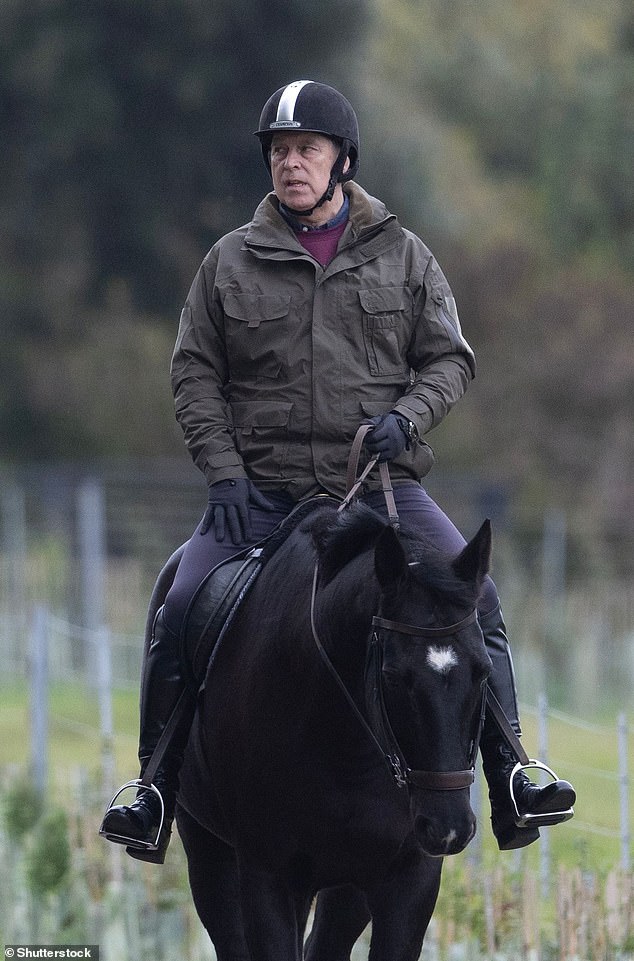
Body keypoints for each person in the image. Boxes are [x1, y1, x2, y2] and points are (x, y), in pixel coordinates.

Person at [101, 80, 575, 863]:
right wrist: (222, 474)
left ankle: (513, 772)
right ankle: (153, 789)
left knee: (476, 593)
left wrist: (408, 418)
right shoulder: (228, 262)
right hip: (258, 493)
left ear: (342, 160)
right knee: (180, 600)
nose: (290, 164)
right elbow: (193, 376)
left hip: (381, 490)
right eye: (279, 151)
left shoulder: (404, 255)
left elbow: (451, 360)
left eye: (306, 150)